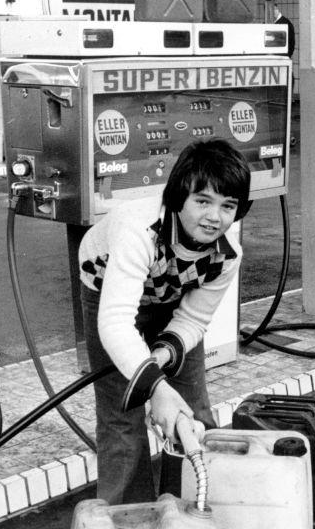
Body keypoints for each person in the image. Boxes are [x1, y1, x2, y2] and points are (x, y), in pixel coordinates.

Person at [78, 138, 251, 505]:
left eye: (227, 206)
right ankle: (128, 522)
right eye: (202, 201)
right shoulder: (139, 230)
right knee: (121, 412)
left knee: (192, 405)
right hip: (109, 291)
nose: (214, 217)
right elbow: (115, 322)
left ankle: (196, 504)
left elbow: (194, 317)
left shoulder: (228, 251)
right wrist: (154, 386)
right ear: (177, 197)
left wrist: (164, 354)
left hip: (172, 295)